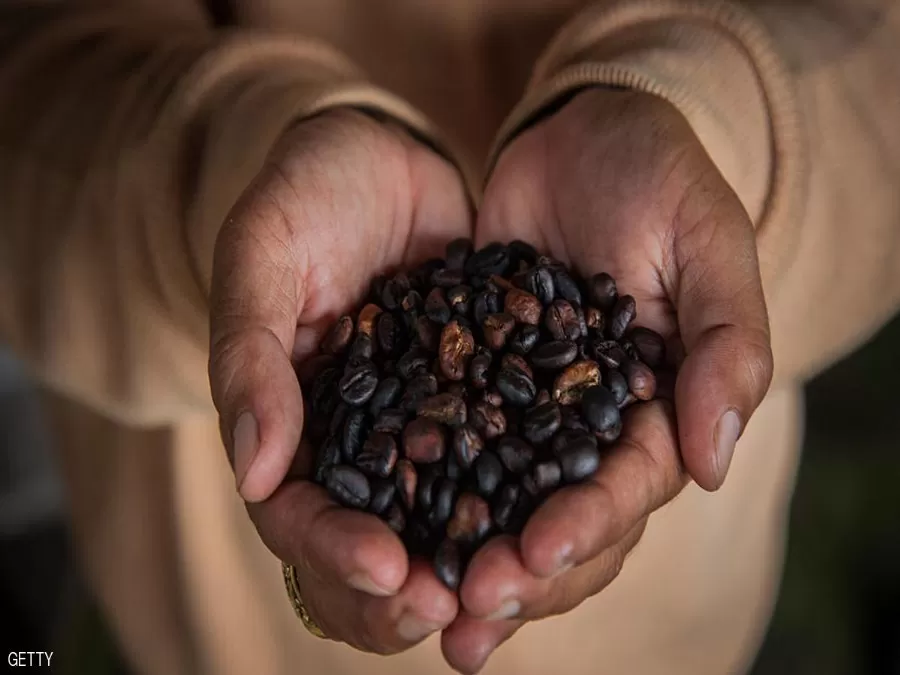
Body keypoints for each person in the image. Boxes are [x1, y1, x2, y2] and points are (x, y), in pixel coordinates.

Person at [1, 0, 899, 673]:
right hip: (222, 604)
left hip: (662, 623)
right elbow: (33, 68)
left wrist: (726, 136)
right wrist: (219, 178)